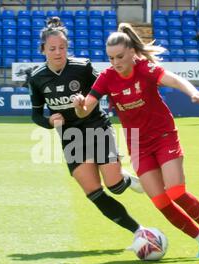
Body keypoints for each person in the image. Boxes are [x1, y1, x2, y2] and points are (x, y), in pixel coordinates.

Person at [73, 23, 199, 258]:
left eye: (119, 56)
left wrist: (194, 93)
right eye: (111, 58)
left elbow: (176, 80)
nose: (115, 62)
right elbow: (85, 110)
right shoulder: (107, 78)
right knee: (160, 201)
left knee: (176, 191)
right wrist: (79, 107)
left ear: (130, 53)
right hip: (138, 144)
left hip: (163, 135)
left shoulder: (145, 69)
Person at [28, 17, 146, 237]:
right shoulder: (36, 78)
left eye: (62, 47)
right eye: (52, 48)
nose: (58, 52)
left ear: (67, 47)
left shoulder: (82, 68)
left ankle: (125, 179)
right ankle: (139, 232)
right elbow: (35, 115)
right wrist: (49, 122)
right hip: (70, 136)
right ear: (43, 49)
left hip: (95, 126)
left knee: (116, 187)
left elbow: (108, 86)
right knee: (93, 192)